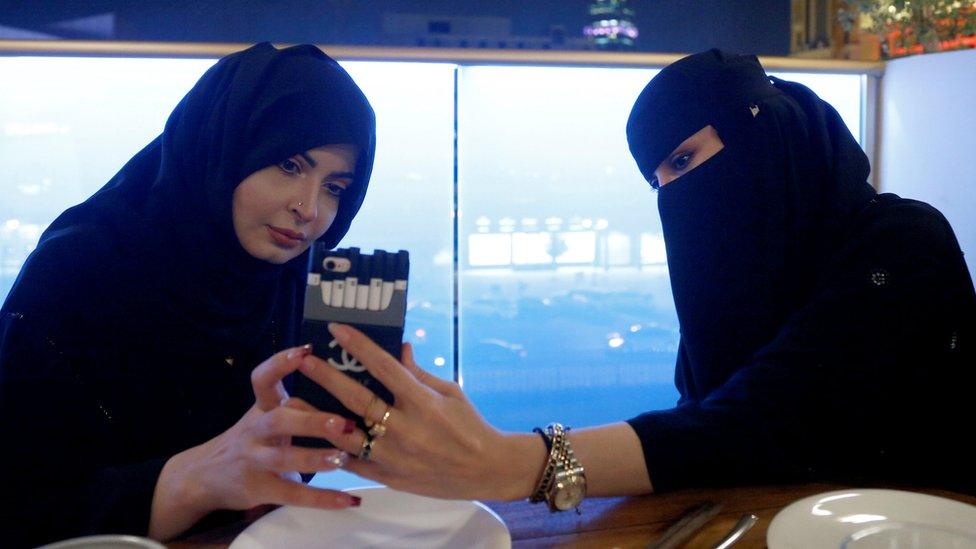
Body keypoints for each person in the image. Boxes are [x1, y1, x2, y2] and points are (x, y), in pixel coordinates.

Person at [291, 50, 976, 510]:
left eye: (685, 158)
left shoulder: (903, 243)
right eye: (661, 178)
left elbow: (774, 417)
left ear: (763, 128)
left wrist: (518, 461)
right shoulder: (741, 285)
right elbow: (705, 421)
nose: (677, 191)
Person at [0, 43, 376, 547]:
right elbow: (17, 505)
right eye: (289, 165)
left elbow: (282, 464)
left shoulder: (291, 277)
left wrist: (366, 420)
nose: (308, 208)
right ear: (221, 146)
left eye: (334, 186)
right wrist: (192, 481)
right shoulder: (82, 271)